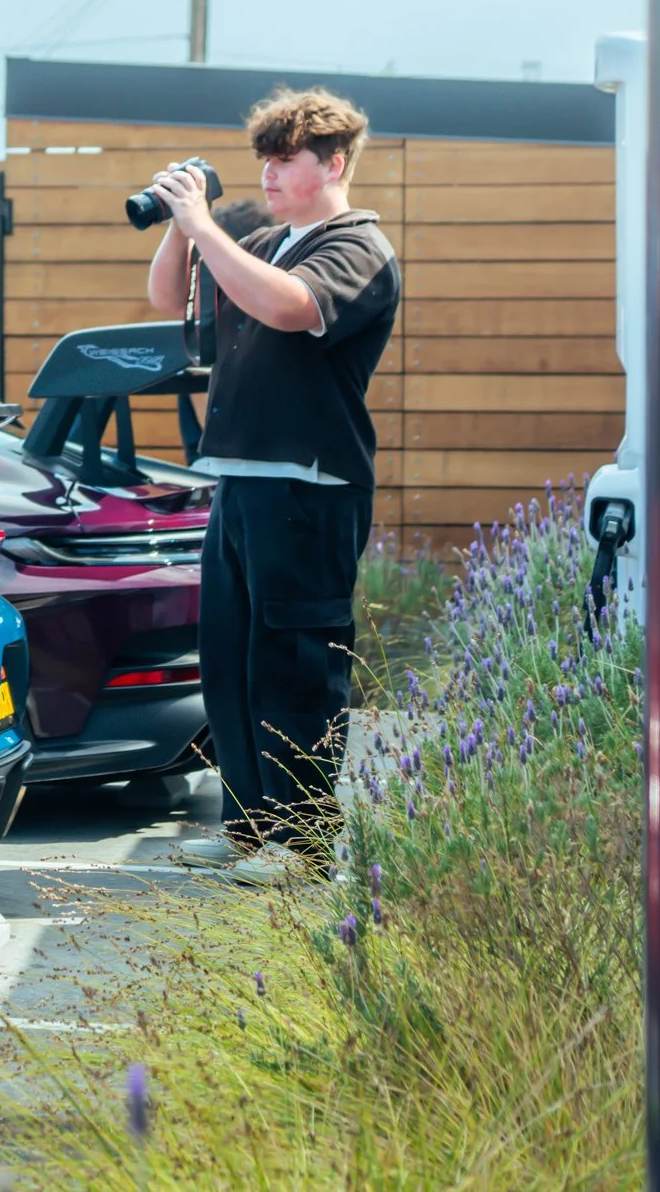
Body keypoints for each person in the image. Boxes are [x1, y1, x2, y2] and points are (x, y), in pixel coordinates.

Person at [143, 88, 400, 884]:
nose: (271, 171)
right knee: (233, 661)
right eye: (265, 157)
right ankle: (252, 829)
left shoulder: (359, 249)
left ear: (334, 163)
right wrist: (183, 225)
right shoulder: (262, 239)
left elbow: (289, 309)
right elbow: (166, 299)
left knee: (296, 663)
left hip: (310, 486)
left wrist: (206, 226)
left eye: (286, 158)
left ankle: (306, 846)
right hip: (242, 482)